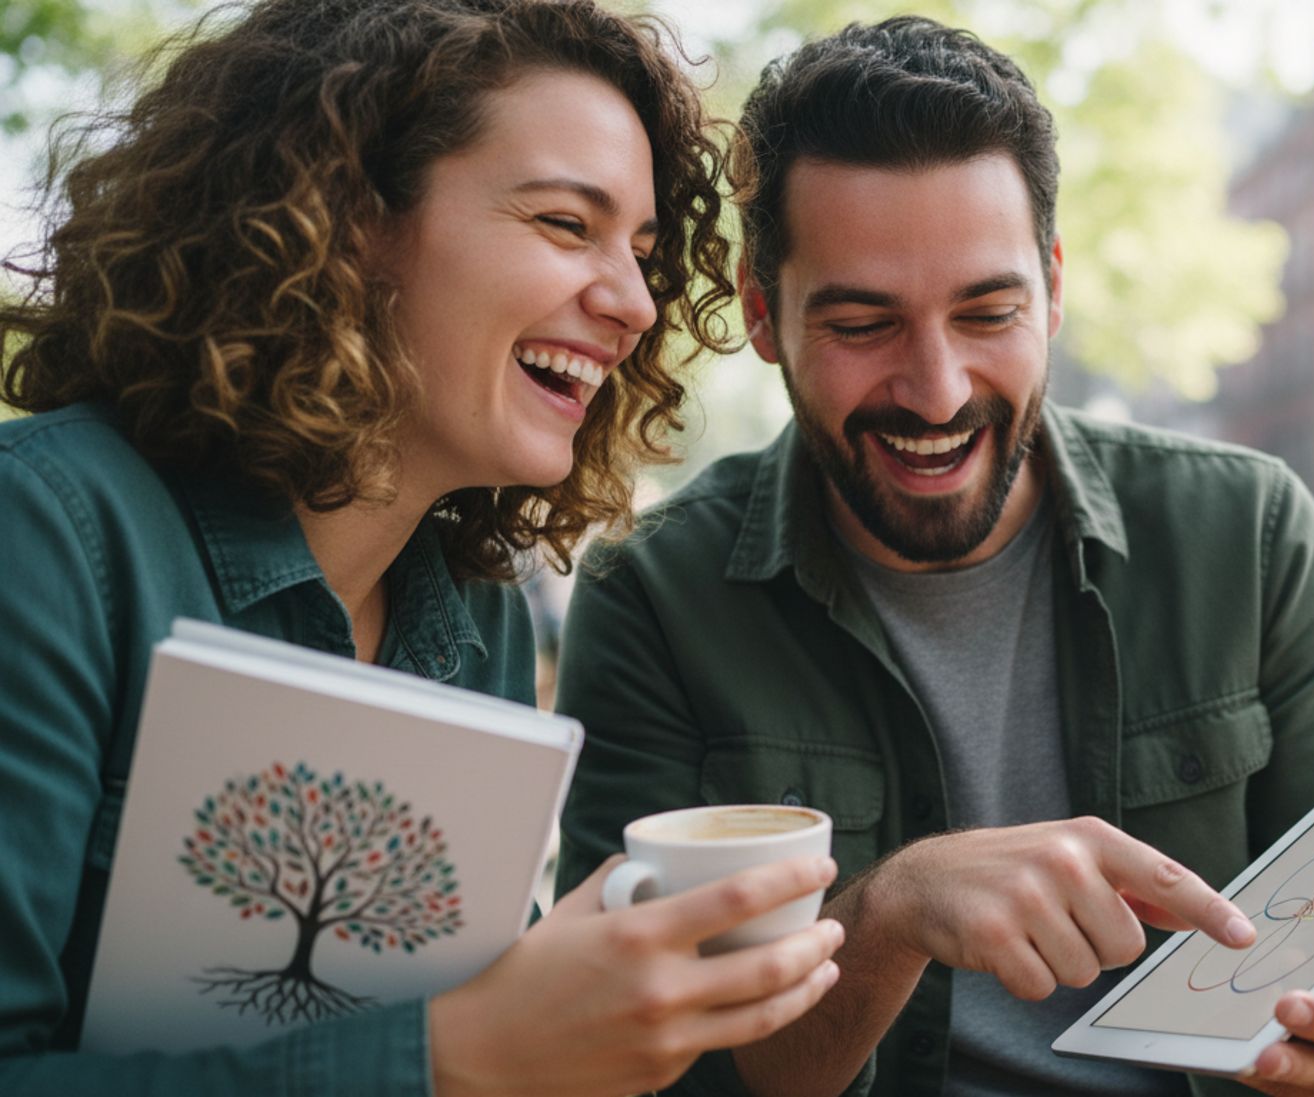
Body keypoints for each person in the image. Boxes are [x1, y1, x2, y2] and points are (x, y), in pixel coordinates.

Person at [556, 16, 1314, 1097]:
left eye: (989, 309)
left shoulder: (1253, 532)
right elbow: (639, 1067)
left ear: (1053, 286)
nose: (938, 388)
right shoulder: (655, 596)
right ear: (764, 314)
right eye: (864, 324)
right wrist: (892, 910)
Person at [0, 2, 844, 1093]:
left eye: (640, 253)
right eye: (561, 222)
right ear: (345, 215)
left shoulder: (469, 612)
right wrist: (457, 1053)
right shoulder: (49, 538)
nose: (635, 302)